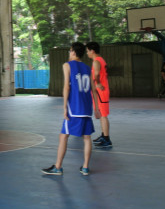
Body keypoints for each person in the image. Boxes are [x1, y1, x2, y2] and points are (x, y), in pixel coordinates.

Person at [42, 42, 93, 175]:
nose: (69, 53)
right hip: (87, 107)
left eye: (70, 51)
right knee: (87, 137)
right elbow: (92, 89)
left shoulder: (67, 65)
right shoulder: (88, 68)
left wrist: (64, 107)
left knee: (63, 136)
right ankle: (85, 167)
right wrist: (96, 108)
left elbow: (66, 87)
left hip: (74, 108)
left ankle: (58, 167)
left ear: (74, 52)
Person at [86, 41, 112, 149]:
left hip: (101, 92)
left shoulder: (96, 61)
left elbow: (96, 74)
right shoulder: (100, 60)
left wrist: (98, 83)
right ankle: (103, 135)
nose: (87, 53)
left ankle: (107, 139)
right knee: (101, 114)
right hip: (99, 92)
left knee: (103, 115)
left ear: (92, 51)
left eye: (87, 51)